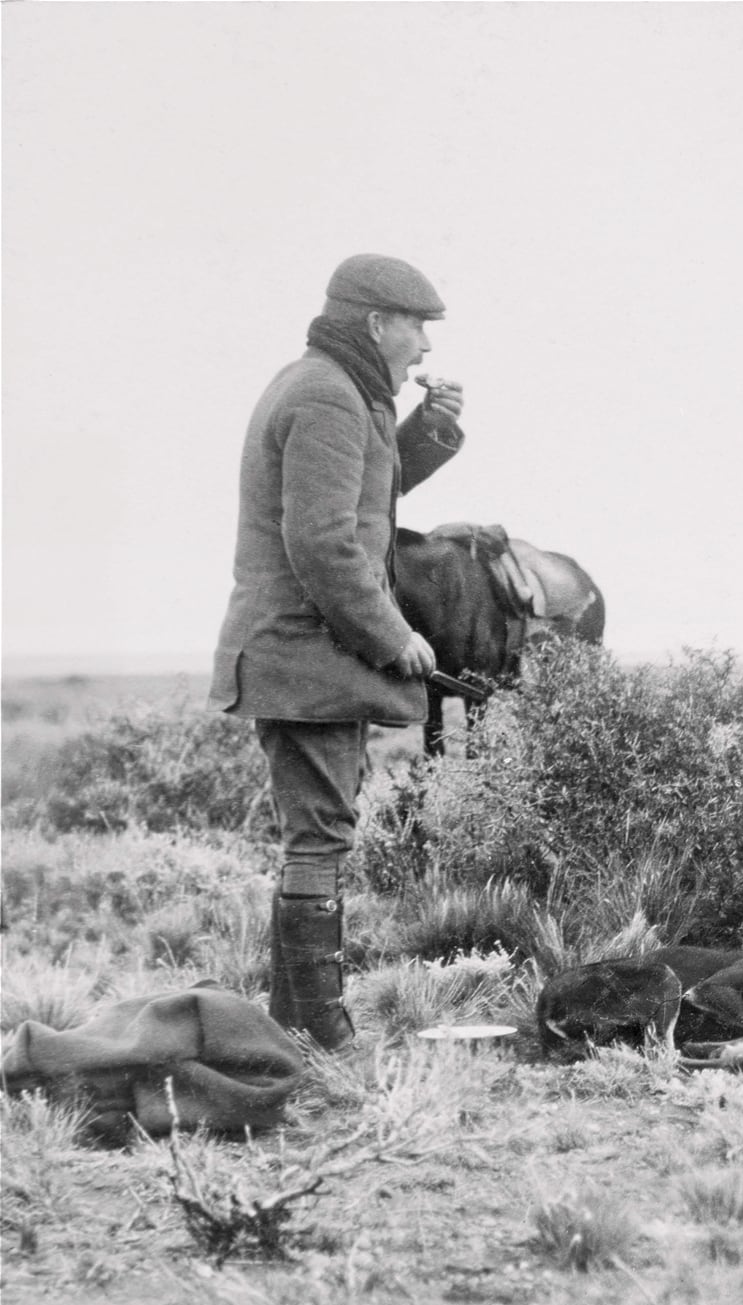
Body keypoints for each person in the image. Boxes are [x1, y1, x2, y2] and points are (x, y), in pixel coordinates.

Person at [209, 254, 467, 1048]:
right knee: (320, 837)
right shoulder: (327, 394)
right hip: (305, 655)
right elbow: (322, 543)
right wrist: (395, 638)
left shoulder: (332, 388)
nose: (423, 347)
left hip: (304, 656)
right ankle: (321, 1032)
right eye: (416, 327)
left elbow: (362, 501)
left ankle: (299, 1023)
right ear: (375, 324)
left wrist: (428, 434)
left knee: (316, 835)